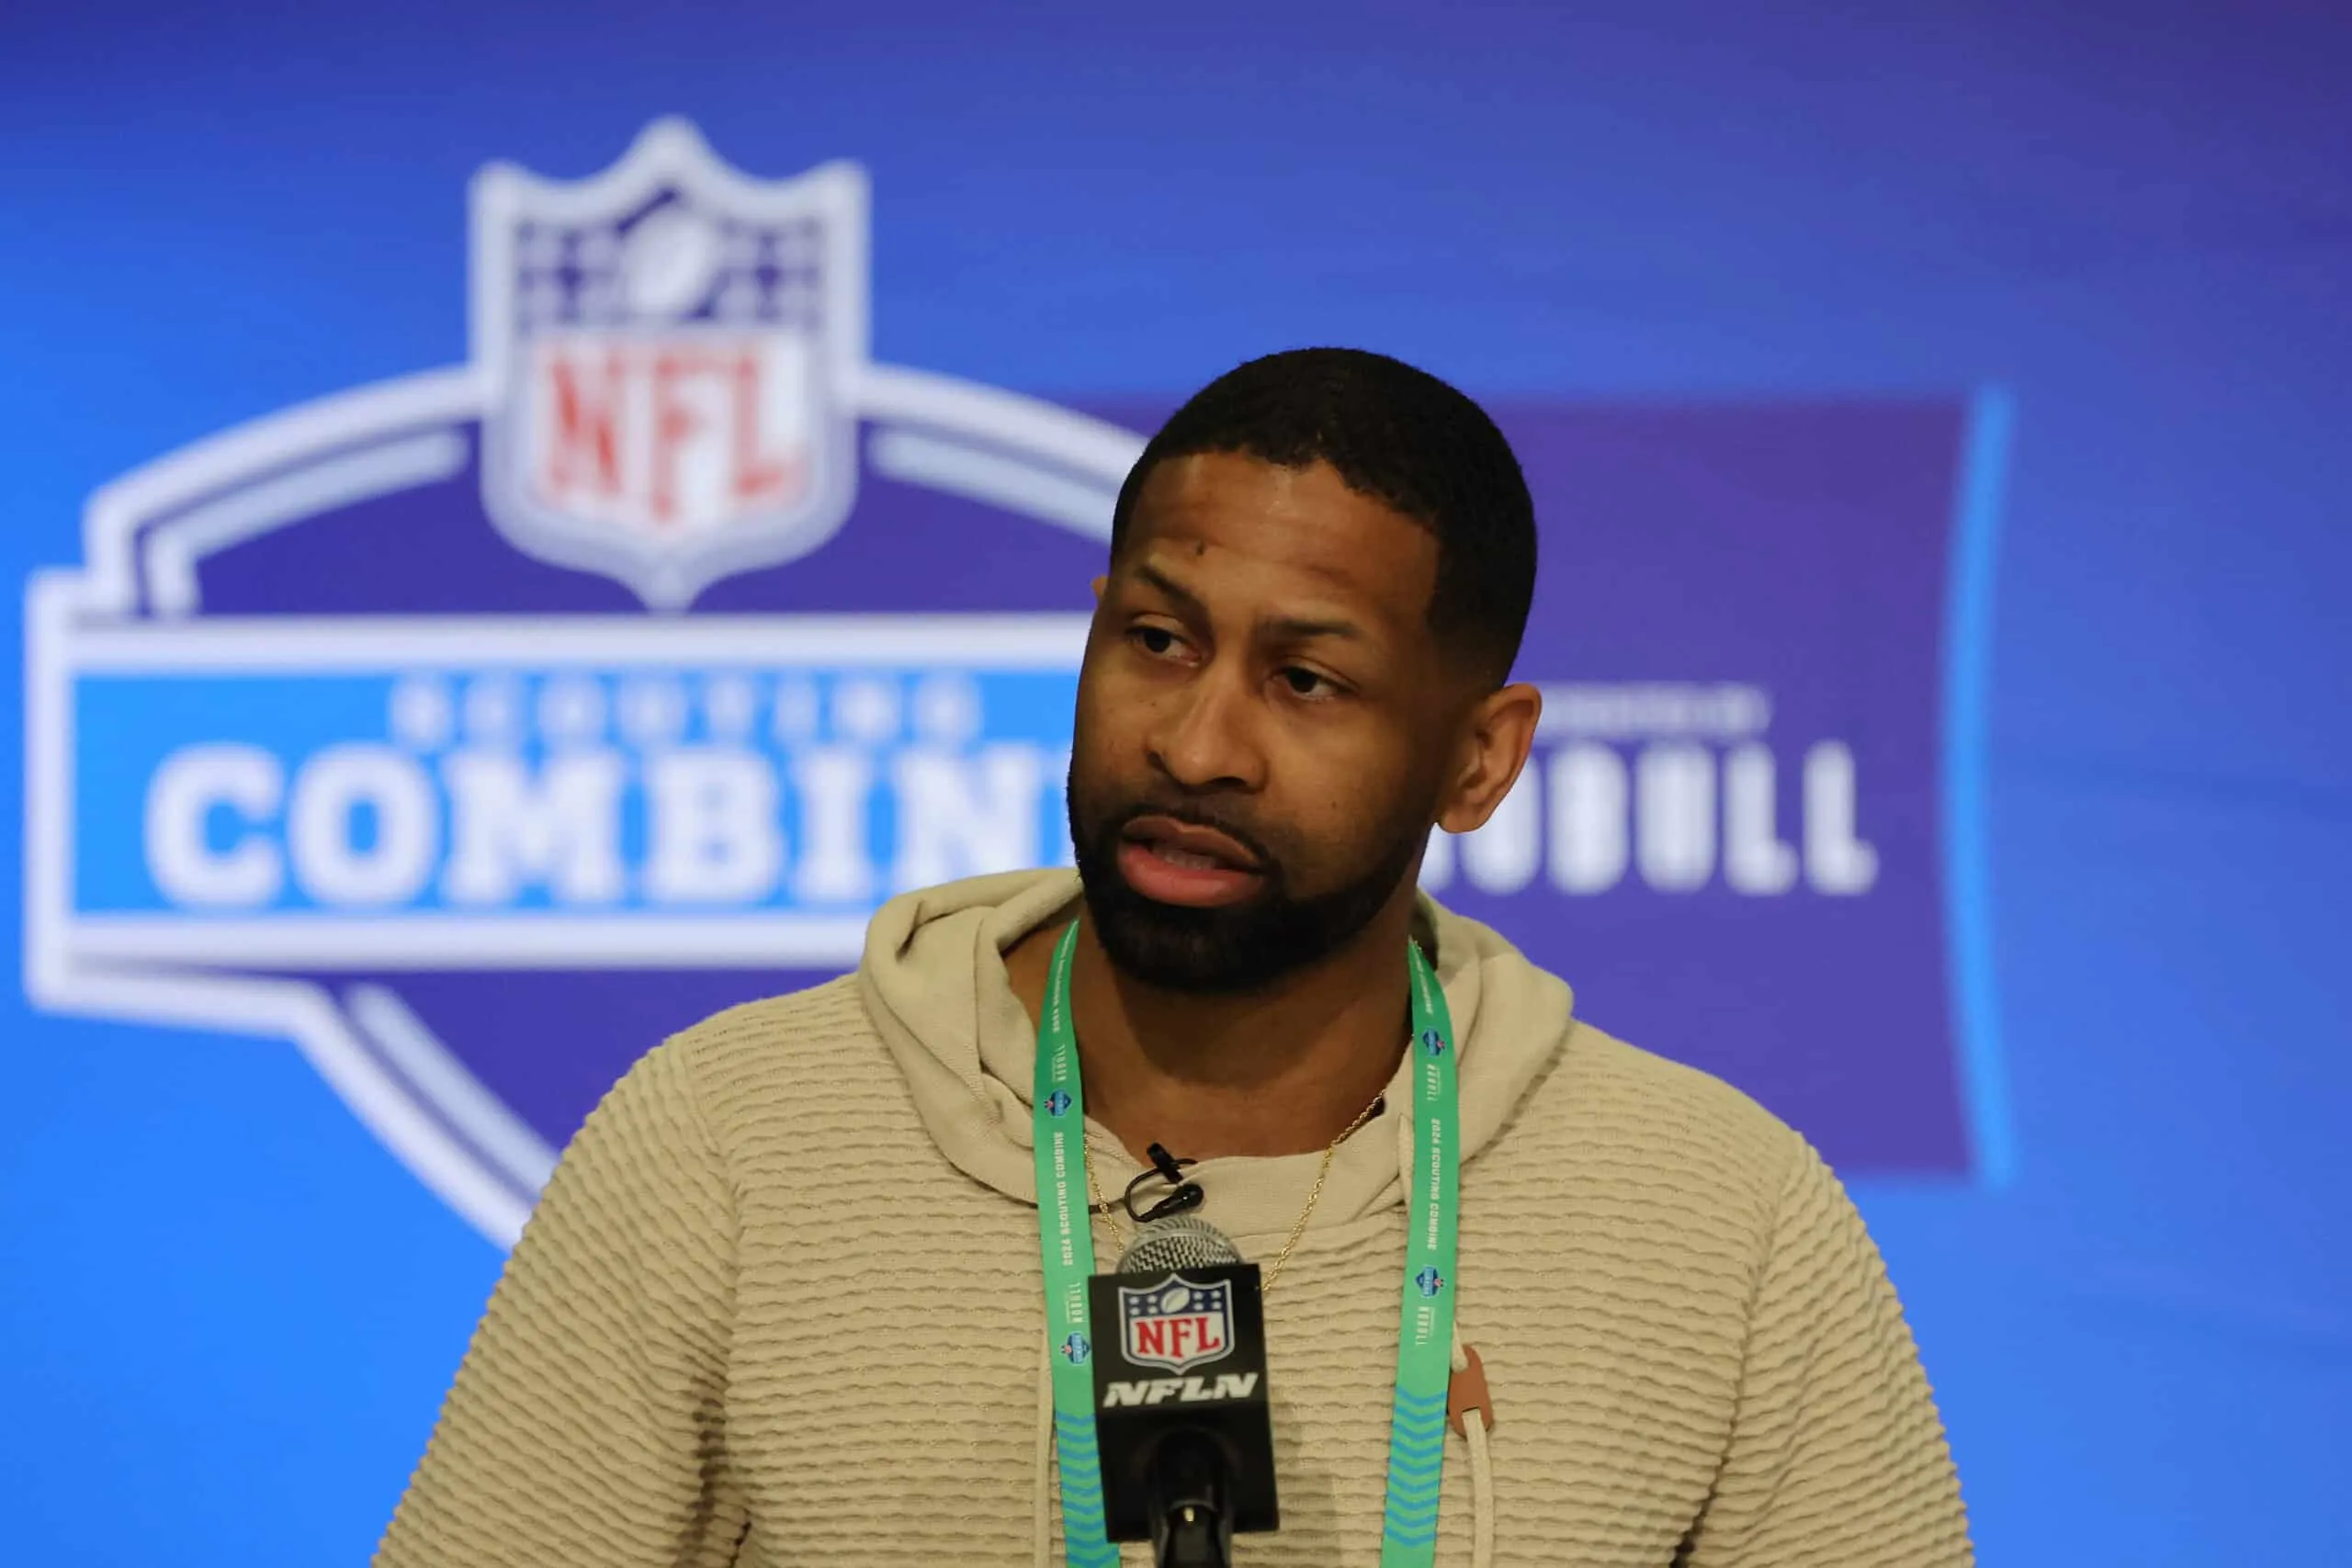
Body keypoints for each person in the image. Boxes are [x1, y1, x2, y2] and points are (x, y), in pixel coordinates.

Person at [376, 348, 1971, 1567]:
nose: (1198, 741)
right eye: (1158, 640)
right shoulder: (727, 1139)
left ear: (1479, 759)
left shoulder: (1724, 1220)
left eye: (1307, 680)